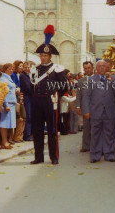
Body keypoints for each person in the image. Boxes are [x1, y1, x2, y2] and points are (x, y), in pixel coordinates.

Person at [30, 25, 67, 165]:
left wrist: (55, 94)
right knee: (37, 130)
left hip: (50, 102)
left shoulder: (56, 69)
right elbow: (32, 85)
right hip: (37, 102)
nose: (43, 57)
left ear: (50, 56)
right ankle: (38, 157)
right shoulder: (36, 69)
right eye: (41, 55)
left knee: (52, 130)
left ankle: (54, 157)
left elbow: (64, 86)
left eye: (46, 55)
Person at [82, 60, 115, 163]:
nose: (102, 68)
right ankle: (95, 155)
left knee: (109, 134)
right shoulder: (91, 80)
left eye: (104, 66)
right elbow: (86, 96)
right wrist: (86, 110)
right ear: (97, 68)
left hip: (109, 111)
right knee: (95, 134)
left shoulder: (114, 78)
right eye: (100, 66)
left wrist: (111, 80)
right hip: (96, 111)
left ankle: (109, 154)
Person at [76, 61, 94, 152]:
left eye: (89, 68)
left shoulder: (97, 79)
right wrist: (78, 106)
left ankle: (96, 146)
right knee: (86, 127)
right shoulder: (80, 81)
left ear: (92, 68)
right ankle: (86, 146)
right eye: (85, 68)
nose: (87, 70)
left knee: (96, 126)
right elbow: (78, 94)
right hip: (85, 107)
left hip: (96, 107)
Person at [0, 63, 17, 149]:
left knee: (8, 123)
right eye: (9, 69)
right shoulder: (3, 79)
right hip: (7, 103)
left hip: (11, 103)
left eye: (12, 69)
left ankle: (5, 141)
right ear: (4, 69)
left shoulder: (8, 78)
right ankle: (4, 142)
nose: (11, 70)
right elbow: (3, 93)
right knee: (4, 123)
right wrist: (5, 104)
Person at [20, 61, 33, 141]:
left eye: (28, 67)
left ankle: (30, 133)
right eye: (26, 67)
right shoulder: (22, 76)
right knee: (28, 116)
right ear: (23, 68)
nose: (27, 69)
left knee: (31, 116)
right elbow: (28, 88)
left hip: (31, 97)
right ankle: (27, 135)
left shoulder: (29, 76)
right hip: (27, 97)